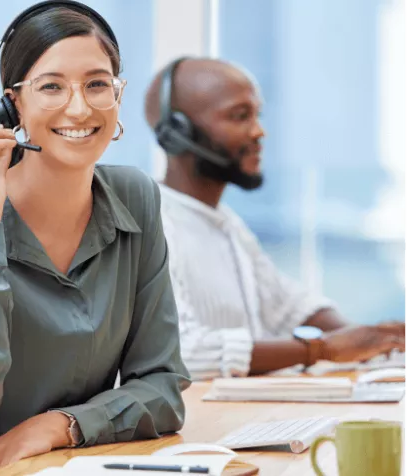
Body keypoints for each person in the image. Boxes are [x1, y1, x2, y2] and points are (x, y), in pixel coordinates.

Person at [0, 3, 191, 475]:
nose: (80, 107)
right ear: (11, 105)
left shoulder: (135, 197)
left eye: (97, 84)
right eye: (52, 87)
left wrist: (60, 426)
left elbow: (163, 386)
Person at [143, 57, 407, 381]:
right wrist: (322, 349)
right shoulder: (153, 225)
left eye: (257, 115)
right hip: (199, 427)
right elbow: (180, 352)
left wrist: (374, 342)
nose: (258, 131)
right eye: (239, 116)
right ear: (177, 133)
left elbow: (290, 305)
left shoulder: (225, 223)